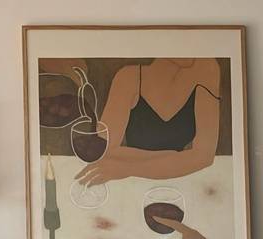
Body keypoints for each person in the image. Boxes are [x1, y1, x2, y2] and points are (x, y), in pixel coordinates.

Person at [75, 58, 221, 186]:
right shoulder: (128, 77)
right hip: (128, 183)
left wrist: (128, 168)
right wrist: (178, 159)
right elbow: (106, 150)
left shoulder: (206, 67)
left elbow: (204, 157)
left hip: (181, 181)